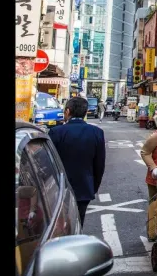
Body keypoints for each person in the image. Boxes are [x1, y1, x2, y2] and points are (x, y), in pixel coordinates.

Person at [48, 96, 106, 226]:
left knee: (58, 224)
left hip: (59, 187)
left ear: (68, 111)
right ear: (85, 112)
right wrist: (93, 186)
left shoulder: (56, 132)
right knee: (78, 222)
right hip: (84, 187)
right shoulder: (97, 133)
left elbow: (49, 162)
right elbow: (99, 165)